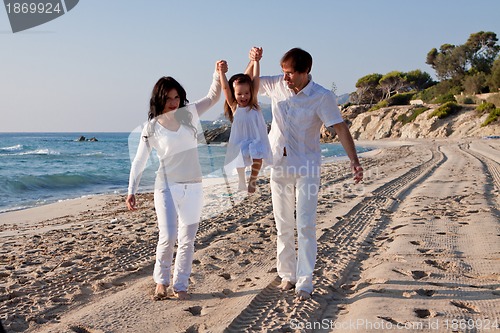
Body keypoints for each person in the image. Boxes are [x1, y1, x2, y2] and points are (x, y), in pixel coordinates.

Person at [247, 47, 363, 300]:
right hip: (278, 165)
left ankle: (305, 280)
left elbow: (340, 128)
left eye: (289, 73)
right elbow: (246, 85)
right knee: (283, 225)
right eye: (283, 72)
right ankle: (287, 275)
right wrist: (252, 61)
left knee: (306, 225)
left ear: (305, 71)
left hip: (307, 168)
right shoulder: (277, 84)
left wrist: (354, 161)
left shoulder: (322, 97)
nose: (285, 77)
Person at [126, 60, 227, 301]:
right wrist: (132, 190)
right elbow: (139, 161)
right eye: (169, 98)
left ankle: (180, 284)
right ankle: (161, 282)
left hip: (194, 187)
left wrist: (217, 73)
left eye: (177, 97)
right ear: (159, 99)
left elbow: (213, 97)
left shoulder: (189, 114)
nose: (174, 102)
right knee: (168, 236)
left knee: (187, 240)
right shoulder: (151, 127)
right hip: (166, 187)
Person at [221, 58, 272, 193]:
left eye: (247, 93)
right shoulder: (234, 106)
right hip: (240, 138)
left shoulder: (253, 104)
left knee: (258, 156)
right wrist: (221, 73)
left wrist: (256, 61)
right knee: (239, 159)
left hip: (256, 137)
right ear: (234, 94)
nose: (244, 96)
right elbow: (225, 87)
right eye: (239, 94)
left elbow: (255, 78)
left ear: (251, 92)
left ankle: (253, 179)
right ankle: (241, 180)